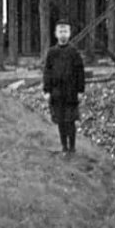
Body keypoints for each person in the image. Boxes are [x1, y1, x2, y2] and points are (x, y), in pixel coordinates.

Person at [41, 20, 86, 153]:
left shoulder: (74, 52)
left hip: (71, 92)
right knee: (60, 120)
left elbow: (80, 72)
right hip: (57, 92)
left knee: (70, 120)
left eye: (65, 31)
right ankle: (64, 146)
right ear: (56, 34)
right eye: (60, 31)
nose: (63, 34)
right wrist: (46, 90)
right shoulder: (51, 53)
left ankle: (72, 146)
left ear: (69, 33)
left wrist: (80, 90)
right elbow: (47, 72)